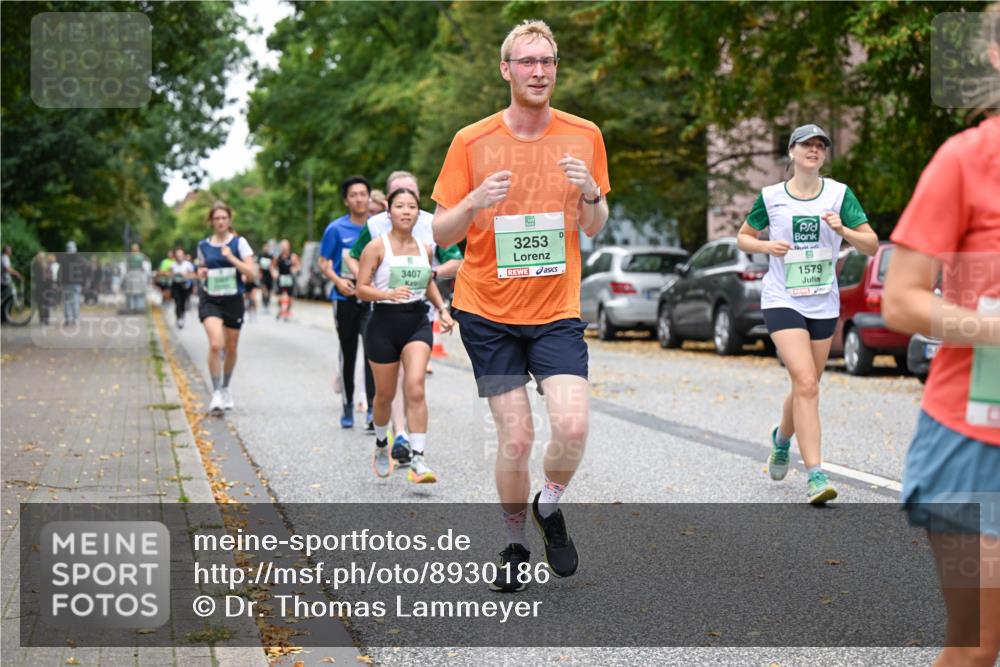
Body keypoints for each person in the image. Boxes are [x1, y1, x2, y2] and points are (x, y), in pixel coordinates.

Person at [432, 20, 611, 592]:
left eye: (548, 61)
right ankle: (514, 543)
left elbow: (595, 225)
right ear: (506, 69)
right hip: (487, 309)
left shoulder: (585, 135)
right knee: (515, 439)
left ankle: (549, 506)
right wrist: (474, 202)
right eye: (527, 61)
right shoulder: (472, 141)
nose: (539, 71)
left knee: (574, 425)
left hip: (555, 307)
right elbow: (439, 232)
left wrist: (591, 192)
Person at [883, 8, 999, 663]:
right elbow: (900, 300)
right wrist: (991, 328)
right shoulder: (965, 161)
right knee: (980, 643)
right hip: (970, 441)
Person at [736, 124, 878, 504]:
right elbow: (743, 237)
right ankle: (816, 475)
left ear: (824, 155)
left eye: (820, 146)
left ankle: (781, 440)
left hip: (823, 301)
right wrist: (768, 246)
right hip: (782, 298)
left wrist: (844, 228)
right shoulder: (771, 196)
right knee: (806, 381)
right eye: (806, 145)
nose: (814, 151)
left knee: (807, 384)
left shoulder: (838, 194)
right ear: (792, 153)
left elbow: (871, 242)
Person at [348, 170, 464, 467]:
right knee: (384, 396)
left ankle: (418, 456)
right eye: (400, 206)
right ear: (389, 210)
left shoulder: (424, 249)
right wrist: (386, 294)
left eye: (412, 207)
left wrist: (442, 309)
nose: (406, 212)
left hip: (416, 321)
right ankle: (380, 441)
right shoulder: (376, 246)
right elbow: (361, 288)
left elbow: (426, 283)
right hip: (383, 323)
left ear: (418, 212)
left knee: (415, 385)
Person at [319, 176, 377, 430]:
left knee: (373, 353)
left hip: (372, 299)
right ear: (346, 200)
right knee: (349, 353)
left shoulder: (377, 227)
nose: (359, 199)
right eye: (353, 195)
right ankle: (347, 404)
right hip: (344, 298)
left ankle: (373, 408)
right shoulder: (336, 229)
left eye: (363, 194)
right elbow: (324, 263)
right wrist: (338, 281)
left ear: (369, 196)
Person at [196, 202, 257, 414]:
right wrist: (201, 273)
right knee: (215, 344)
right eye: (217, 218)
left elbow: (251, 273)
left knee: (231, 348)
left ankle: (225, 387)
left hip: (233, 300)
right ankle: (215, 393)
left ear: (229, 220)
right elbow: (201, 268)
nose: (220, 222)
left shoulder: (239, 243)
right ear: (211, 221)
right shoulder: (203, 245)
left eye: (224, 218)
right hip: (211, 298)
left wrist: (231, 258)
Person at [59, 241, 88, 326]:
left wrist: (59, 282)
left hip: (66, 284)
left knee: (67, 302)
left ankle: (68, 318)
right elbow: (84, 272)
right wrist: (84, 283)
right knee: (75, 301)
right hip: (76, 284)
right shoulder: (81, 259)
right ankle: (75, 319)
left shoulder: (63, 259)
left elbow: (60, 272)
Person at [272, 239, 300, 322]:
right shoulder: (278, 257)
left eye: (285, 246)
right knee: (280, 298)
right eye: (282, 246)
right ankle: (280, 309)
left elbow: (298, 265)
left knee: (290, 298)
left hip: (290, 278)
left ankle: (287, 311)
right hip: (281, 278)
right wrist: (274, 273)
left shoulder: (292, 256)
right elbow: (272, 266)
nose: (284, 248)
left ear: (288, 247)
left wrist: (294, 269)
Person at [170, 248, 195, 329]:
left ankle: (182, 316)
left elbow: (193, 275)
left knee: (183, 302)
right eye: (177, 256)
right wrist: (174, 274)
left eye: (180, 255)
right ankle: (178, 318)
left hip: (185, 286)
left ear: (183, 256)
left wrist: (185, 275)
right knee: (177, 302)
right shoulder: (173, 265)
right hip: (176, 285)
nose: (179, 257)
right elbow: (169, 274)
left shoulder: (188, 265)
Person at [1, 245, 24, 322]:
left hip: (5, 281)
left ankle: (4, 317)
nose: (11, 251)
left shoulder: (4, 257)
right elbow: (7, 268)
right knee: (7, 299)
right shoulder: (5, 257)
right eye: (10, 250)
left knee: (6, 299)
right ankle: (4, 318)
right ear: (6, 251)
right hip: (4, 282)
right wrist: (16, 273)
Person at [124, 243, 147, 313]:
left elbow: (144, 266)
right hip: (131, 274)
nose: (134, 250)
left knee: (139, 291)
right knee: (131, 291)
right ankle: (132, 307)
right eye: (133, 249)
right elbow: (127, 266)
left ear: (138, 249)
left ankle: (139, 307)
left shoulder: (141, 256)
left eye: (135, 249)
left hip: (139, 274)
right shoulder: (130, 257)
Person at [258, 241, 274, 312]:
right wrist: (259, 273)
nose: (266, 249)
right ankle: (264, 303)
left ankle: (267, 304)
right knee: (264, 290)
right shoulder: (260, 256)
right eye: (265, 248)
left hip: (269, 276)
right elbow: (258, 265)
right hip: (263, 275)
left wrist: (273, 273)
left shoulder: (271, 256)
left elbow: (273, 265)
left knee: (269, 290)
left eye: (267, 248)